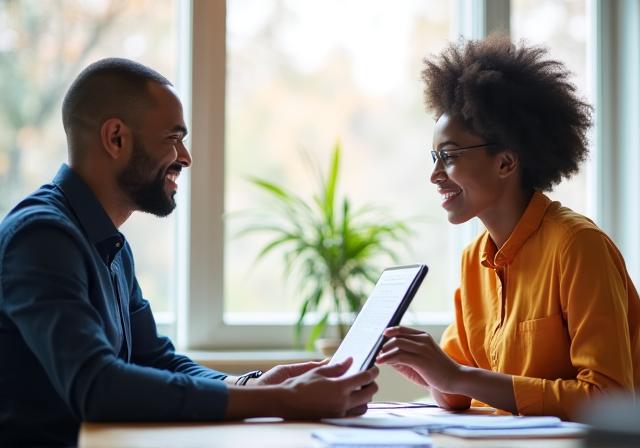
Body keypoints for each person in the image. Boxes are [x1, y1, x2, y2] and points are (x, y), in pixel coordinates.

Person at [0, 58, 378, 446]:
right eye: (172, 138)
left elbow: (153, 358)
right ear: (116, 138)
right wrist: (282, 399)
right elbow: (97, 386)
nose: (186, 156)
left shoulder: (109, 244)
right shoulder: (41, 238)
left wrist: (253, 382)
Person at [376, 35, 639, 421]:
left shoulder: (578, 246)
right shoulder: (473, 261)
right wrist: (431, 371)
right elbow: (457, 393)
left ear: (506, 163)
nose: (434, 175)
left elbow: (608, 396)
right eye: (434, 157)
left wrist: (457, 376)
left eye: (448, 157)